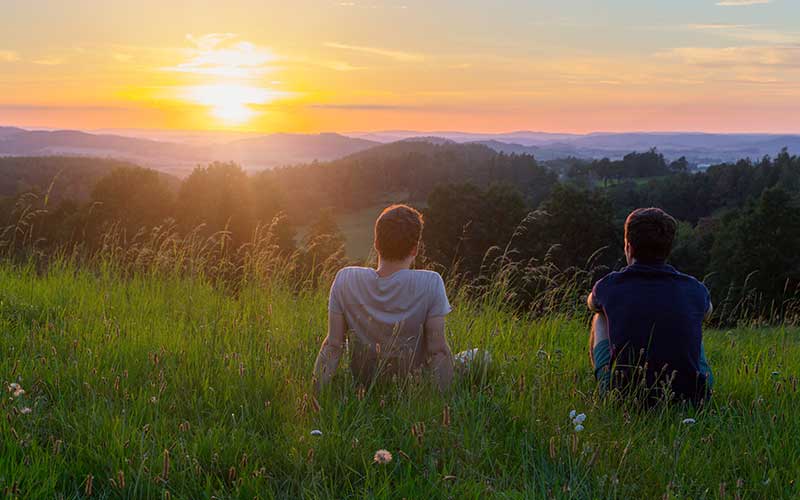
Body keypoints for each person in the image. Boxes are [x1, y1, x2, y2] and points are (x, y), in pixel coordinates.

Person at [313, 204, 454, 393]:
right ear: (415, 249)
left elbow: (333, 345)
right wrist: (441, 407)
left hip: (364, 385)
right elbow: (438, 351)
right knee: (481, 357)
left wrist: (313, 399)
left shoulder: (345, 279)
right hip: (414, 386)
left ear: (376, 243)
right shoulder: (431, 282)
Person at [588, 207, 714, 402]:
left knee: (599, 316)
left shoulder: (609, 285)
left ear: (628, 247)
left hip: (624, 399)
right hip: (693, 398)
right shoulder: (694, 288)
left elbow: (592, 304)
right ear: (668, 249)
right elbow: (708, 313)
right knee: (692, 317)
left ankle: (605, 385)